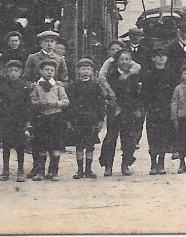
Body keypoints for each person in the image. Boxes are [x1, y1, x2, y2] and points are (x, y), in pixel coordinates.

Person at [100, 49, 144, 177]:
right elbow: (105, 92)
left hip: (129, 110)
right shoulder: (111, 75)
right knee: (111, 138)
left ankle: (125, 164)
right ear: (117, 61)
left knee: (129, 138)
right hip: (115, 110)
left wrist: (136, 108)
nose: (124, 62)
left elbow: (138, 93)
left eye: (127, 59)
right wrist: (111, 103)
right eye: (122, 59)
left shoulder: (134, 75)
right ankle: (108, 166)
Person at [65, 58, 109, 179]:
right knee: (79, 145)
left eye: (88, 69)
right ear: (78, 70)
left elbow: (100, 104)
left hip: (91, 120)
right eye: (83, 69)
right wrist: (69, 120)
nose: (85, 71)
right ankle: (79, 170)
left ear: (92, 71)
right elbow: (69, 104)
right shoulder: (72, 86)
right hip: (77, 120)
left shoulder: (96, 86)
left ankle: (88, 169)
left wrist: (100, 120)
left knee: (90, 145)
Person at [29, 58, 70, 181]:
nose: (49, 72)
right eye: (47, 70)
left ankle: (53, 172)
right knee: (42, 144)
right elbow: (32, 100)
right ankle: (41, 172)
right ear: (41, 71)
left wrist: (57, 103)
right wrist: (38, 103)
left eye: (52, 70)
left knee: (55, 145)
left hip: (55, 117)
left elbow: (66, 101)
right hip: (41, 118)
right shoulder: (36, 86)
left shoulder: (58, 86)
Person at [0, 59, 31, 182]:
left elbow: (28, 106)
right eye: (11, 70)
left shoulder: (24, 87)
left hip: (19, 121)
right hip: (5, 121)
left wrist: (27, 122)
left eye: (16, 71)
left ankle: (20, 171)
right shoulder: (2, 87)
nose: (13, 73)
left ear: (21, 72)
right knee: (6, 146)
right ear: (6, 72)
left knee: (20, 146)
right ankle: (6, 171)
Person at [140, 46, 176, 175]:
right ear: (153, 58)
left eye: (164, 55)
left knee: (164, 137)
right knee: (153, 137)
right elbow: (144, 93)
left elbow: (174, 93)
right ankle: (153, 163)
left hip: (166, 109)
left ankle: (161, 163)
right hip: (153, 110)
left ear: (167, 58)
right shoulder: (149, 74)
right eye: (158, 55)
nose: (161, 57)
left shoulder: (171, 74)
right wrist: (147, 107)